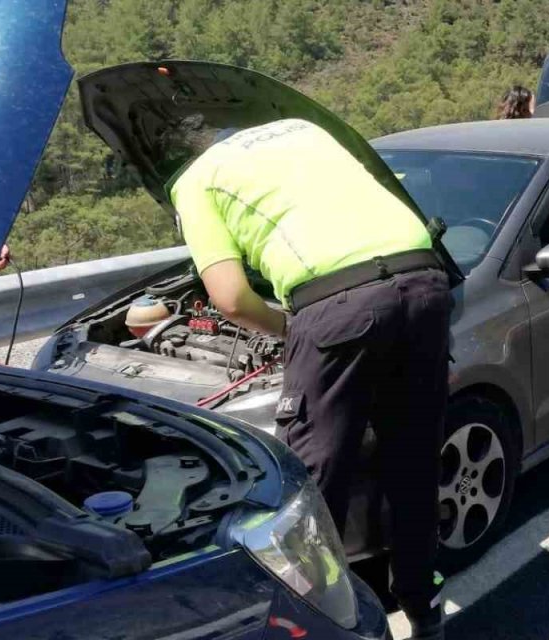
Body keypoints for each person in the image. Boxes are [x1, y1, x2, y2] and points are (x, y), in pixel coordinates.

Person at [167, 118, 455, 639]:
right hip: (425, 281)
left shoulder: (194, 182)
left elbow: (229, 298)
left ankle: (318, 622)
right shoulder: (302, 129)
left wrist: (288, 329)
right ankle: (423, 608)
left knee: (310, 485)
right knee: (412, 460)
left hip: (337, 305)